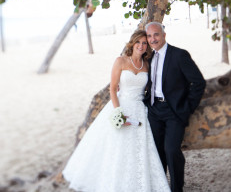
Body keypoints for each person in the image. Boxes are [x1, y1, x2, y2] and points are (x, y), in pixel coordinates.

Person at [63, 30, 171, 192]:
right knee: (116, 151)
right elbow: (113, 89)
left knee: (139, 152)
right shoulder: (120, 61)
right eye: (138, 42)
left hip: (140, 110)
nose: (141, 46)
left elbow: (152, 88)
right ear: (132, 43)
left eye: (144, 43)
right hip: (120, 106)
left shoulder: (147, 65)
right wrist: (118, 114)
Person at [144, 22, 206, 192]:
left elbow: (198, 82)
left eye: (156, 34)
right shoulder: (149, 57)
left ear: (164, 35)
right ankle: (161, 186)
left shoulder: (179, 55)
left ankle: (177, 188)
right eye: (149, 36)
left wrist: (188, 107)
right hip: (154, 110)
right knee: (157, 153)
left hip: (174, 111)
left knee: (171, 151)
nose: (152, 39)